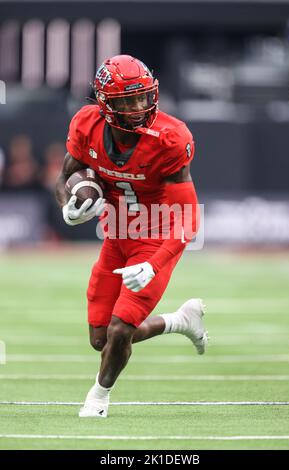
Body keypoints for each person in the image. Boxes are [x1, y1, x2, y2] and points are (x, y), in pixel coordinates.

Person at [55, 55, 208, 418]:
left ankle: (98, 399)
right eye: (126, 100)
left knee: (121, 329)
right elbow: (67, 177)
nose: (138, 107)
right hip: (117, 235)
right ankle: (181, 321)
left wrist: (154, 266)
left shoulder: (170, 138)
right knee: (100, 338)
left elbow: (187, 219)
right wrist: (67, 206)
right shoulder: (86, 124)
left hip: (157, 236)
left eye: (142, 97)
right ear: (106, 103)